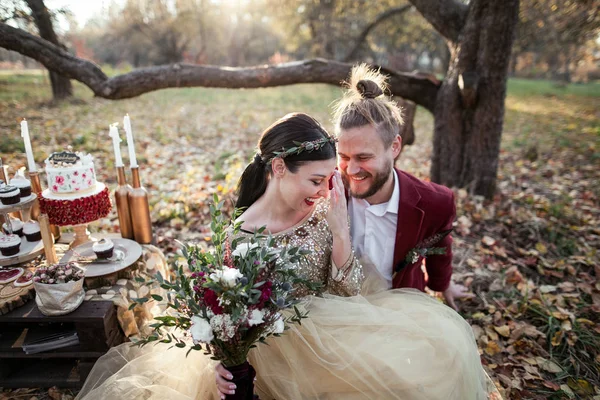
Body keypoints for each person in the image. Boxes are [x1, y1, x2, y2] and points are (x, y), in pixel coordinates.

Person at [208, 113, 495, 399]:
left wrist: (340, 231)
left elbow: (349, 292)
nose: (325, 191)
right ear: (280, 167)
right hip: (274, 356)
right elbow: (219, 314)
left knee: (434, 361)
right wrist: (218, 362)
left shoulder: (323, 210)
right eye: (317, 180)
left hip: (337, 330)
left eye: (329, 179)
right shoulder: (238, 240)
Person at [333, 64, 474, 311]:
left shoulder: (435, 203)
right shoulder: (325, 189)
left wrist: (442, 285)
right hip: (338, 305)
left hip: (401, 308)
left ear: (395, 147)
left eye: (364, 158)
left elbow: (440, 249)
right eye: (343, 156)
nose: (351, 170)